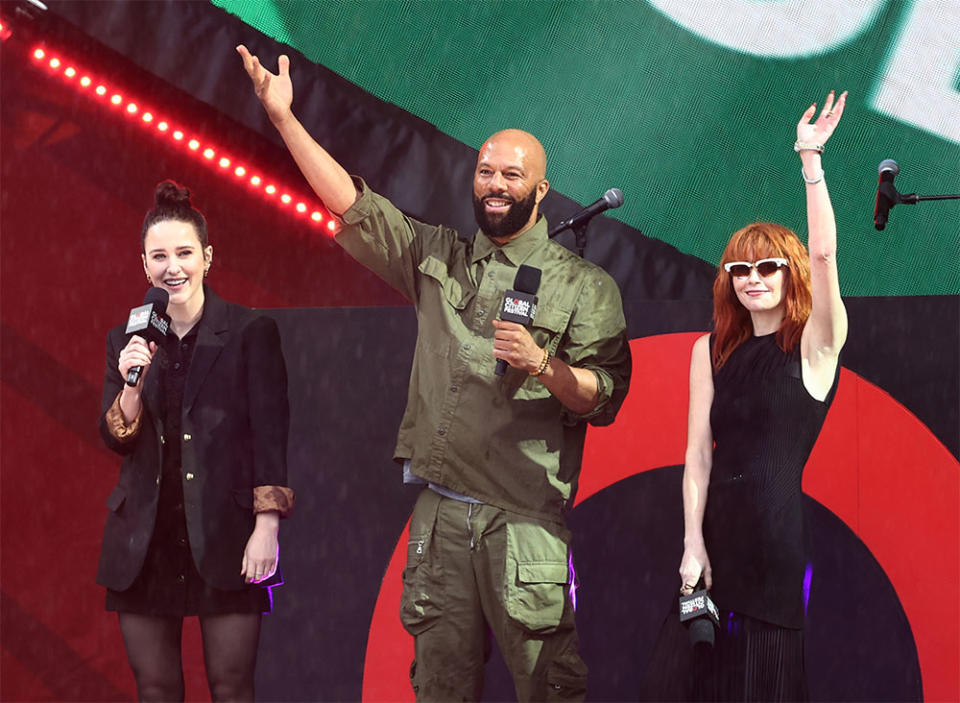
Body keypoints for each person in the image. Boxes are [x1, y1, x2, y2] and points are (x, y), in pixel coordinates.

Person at [237, 47, 631, 700]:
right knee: (439, 690)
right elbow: (357, 205)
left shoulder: (583, 286)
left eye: (512, 173)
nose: (495, 183)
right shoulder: (438, 256)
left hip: (524, 523)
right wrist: (283, 119)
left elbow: (606, 395)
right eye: (485, 171)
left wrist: (545, 365)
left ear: (540, 188)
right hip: (441, 518)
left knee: (551, 690)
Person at [678, 91, 848, 700]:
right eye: (739, 270)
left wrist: (811, 161)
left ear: (790, 273)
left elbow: (825, 254)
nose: (752, 279)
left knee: (766, 683)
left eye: (768, 266)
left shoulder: (816, 347)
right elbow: (698, 456)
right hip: (712, 543)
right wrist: (693, 543)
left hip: (775, 540)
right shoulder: (710, 352)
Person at [97, 181, 294, 702]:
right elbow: (116, 436)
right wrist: (132, 384)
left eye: (184, 253)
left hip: (225, 533)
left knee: (231, 687)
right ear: (144, 266)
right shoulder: (128, 338)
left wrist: (266, 526)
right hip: (146, 538)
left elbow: (270, 433)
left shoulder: (251, 331)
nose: (172, 268)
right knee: (156, 688)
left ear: (207, 257)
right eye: (159, 256)